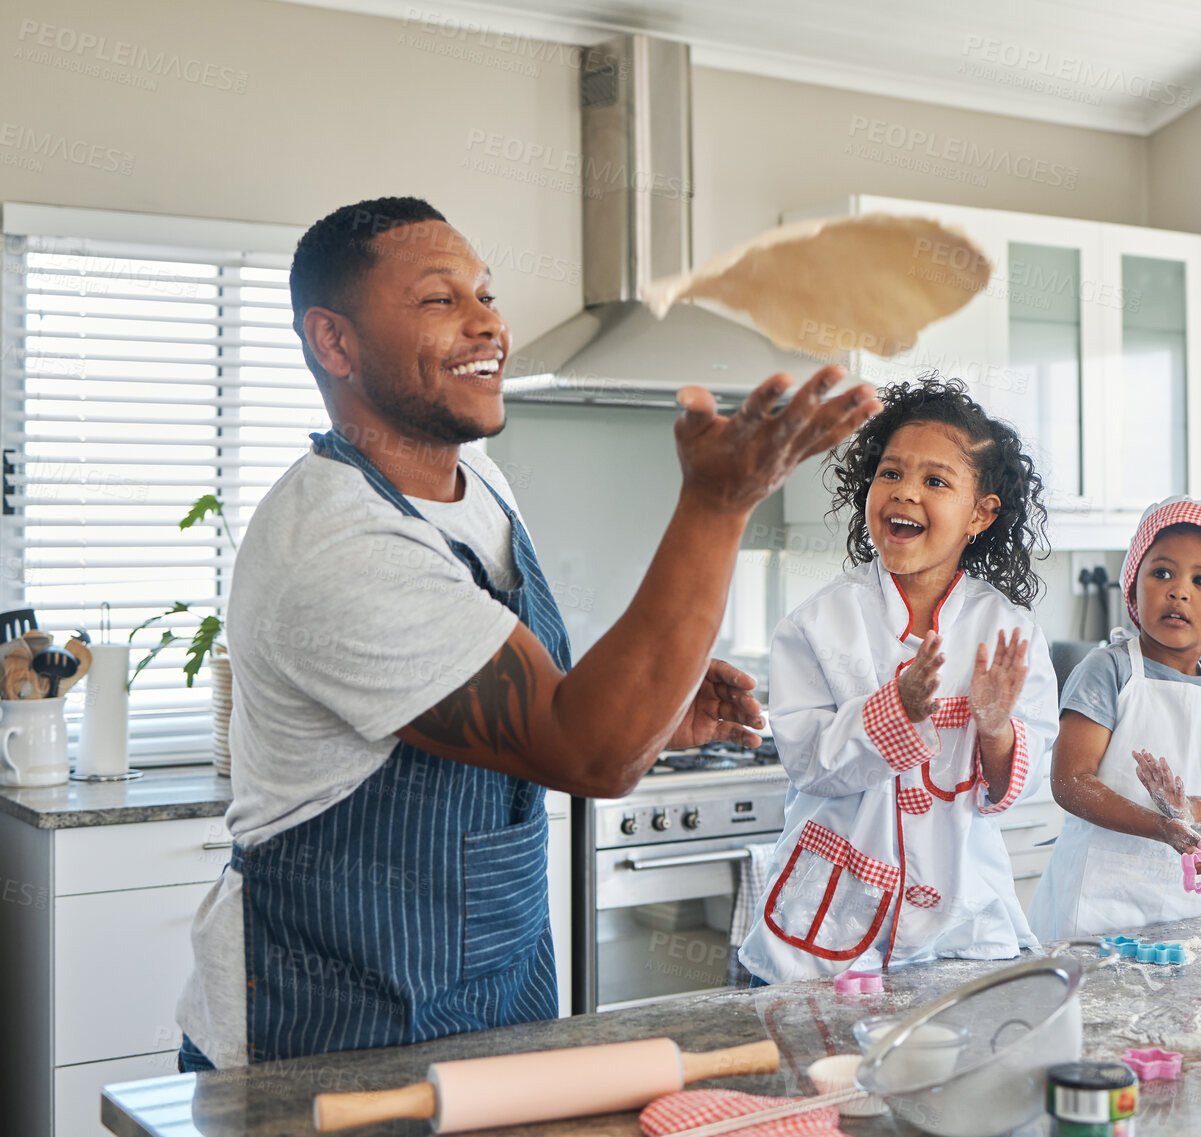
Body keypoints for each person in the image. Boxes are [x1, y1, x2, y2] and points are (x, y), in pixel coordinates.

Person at [174, 197, 878, 1069]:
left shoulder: (477, 477)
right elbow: (590, 752)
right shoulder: (335, 542)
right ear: (335, 342)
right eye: (441, 300)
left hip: (492, 1006)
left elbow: (558, 705)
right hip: (332, 1025)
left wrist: (657, 712)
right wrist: (719, 501)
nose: (489, 324)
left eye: (487, 293)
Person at [737, 378, 1059, 984]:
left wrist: (994, 731)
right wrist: (900, 707)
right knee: (823, 1076)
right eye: (890, 474)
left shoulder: (1009, 632)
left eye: (936, 481)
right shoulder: (817, 623)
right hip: (831, 927)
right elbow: (810, 764)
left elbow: (1013, 784)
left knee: (954, 1079)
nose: (905, 492)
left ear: (981, 514)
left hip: (961, 928)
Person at [1029, 496, 1201, 940]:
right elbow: (1070, 782)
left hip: (1191, 906)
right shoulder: (1108, 670)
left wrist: (1189, 812)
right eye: (1161, 572)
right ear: (1133, 583)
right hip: (1095, 908)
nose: (1178, 590)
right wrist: (1163, 827)